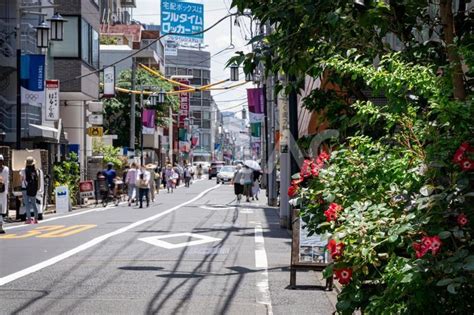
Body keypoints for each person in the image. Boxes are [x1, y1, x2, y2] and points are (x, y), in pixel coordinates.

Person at [22, 157, 40, 224]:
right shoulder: (36, 171)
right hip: (33, 189)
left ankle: (29, 219)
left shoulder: (23, 170)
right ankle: (36, 219)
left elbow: (22, 179)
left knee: (27, 204)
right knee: (34, 203)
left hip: (25, 188)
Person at [0, 155, 9, 233]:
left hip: (3, 192)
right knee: (2, 210)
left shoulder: (6, 169)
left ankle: (1, 225)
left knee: (1, 211)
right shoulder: (6, 169)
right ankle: (1, 226)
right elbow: (7, 181)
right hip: (3, 192)